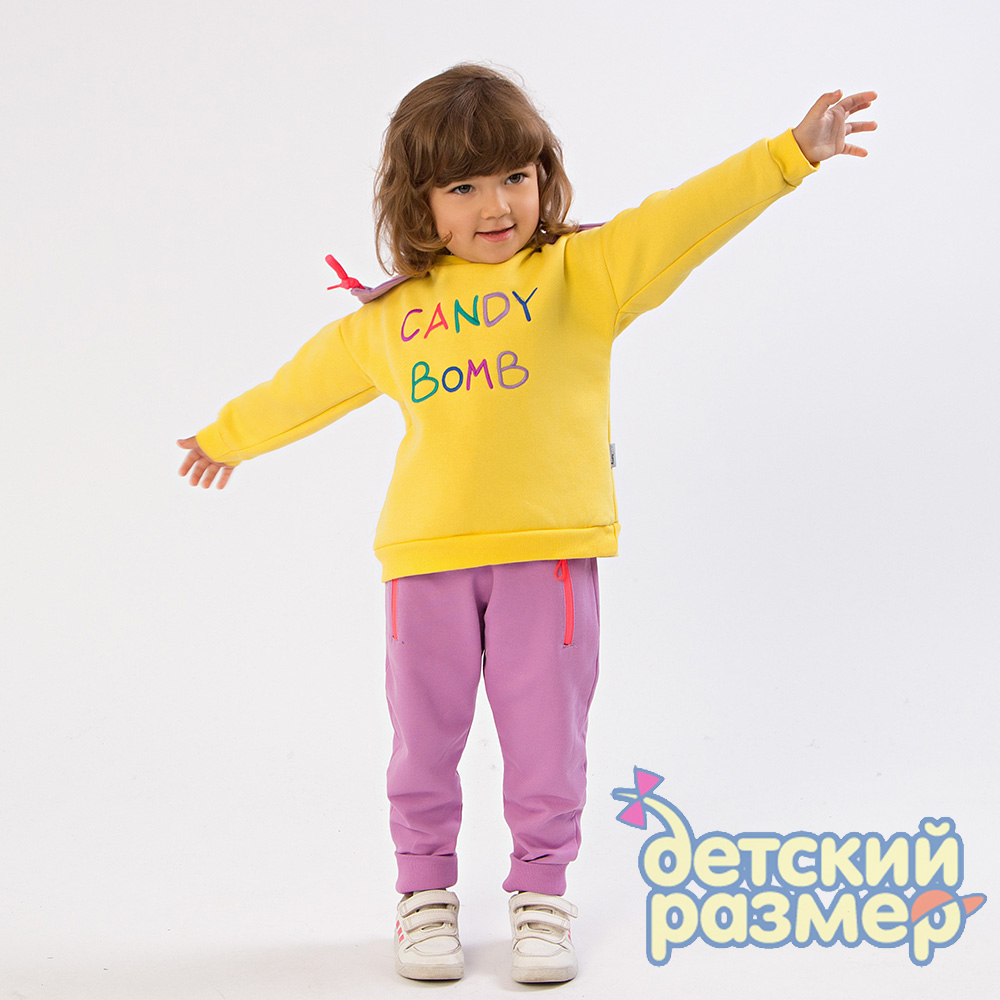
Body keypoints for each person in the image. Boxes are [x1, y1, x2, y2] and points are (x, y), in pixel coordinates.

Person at [177, 64, 876, 983]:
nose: (496, 204)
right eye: (463, 187)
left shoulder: (585, 274)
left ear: (544, 176)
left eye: (515, 175)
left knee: (548, 742)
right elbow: (303, 387)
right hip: (424, 563)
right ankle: (423, 893)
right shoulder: (394, 318)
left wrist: (791, 154)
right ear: (421, 205)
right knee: (422, 743)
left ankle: (541, 894)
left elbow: (685, 216)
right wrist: (228, 437)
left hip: (547, 562)